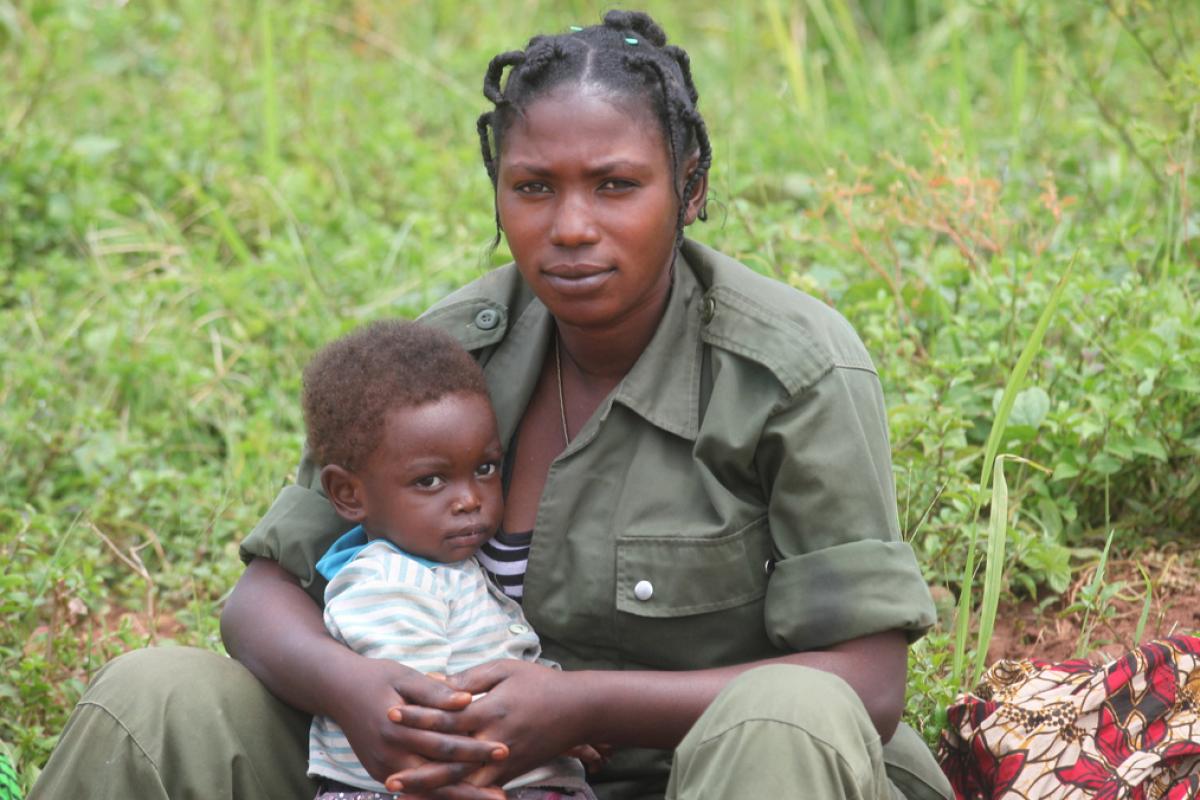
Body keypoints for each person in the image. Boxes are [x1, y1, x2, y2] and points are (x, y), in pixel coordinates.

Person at [30, 10, 954, 800]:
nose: (572, 227)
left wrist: (581, 706)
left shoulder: (790, 371)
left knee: (788, 713)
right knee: (153, 697)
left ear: (691, 190)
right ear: (500, 194)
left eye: (617, 185)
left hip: (711, 774)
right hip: (441, 777)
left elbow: (867, 684)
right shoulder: (450, 359)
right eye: (534, 187)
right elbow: (263, 597)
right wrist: (363, 697)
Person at [300, 320, 596, 799]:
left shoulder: (451, 567)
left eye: (484, 469)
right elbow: (425, 705)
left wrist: (566, 722)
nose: (469, 500)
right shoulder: (386, 581)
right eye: (431, 482)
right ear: (348, 494)